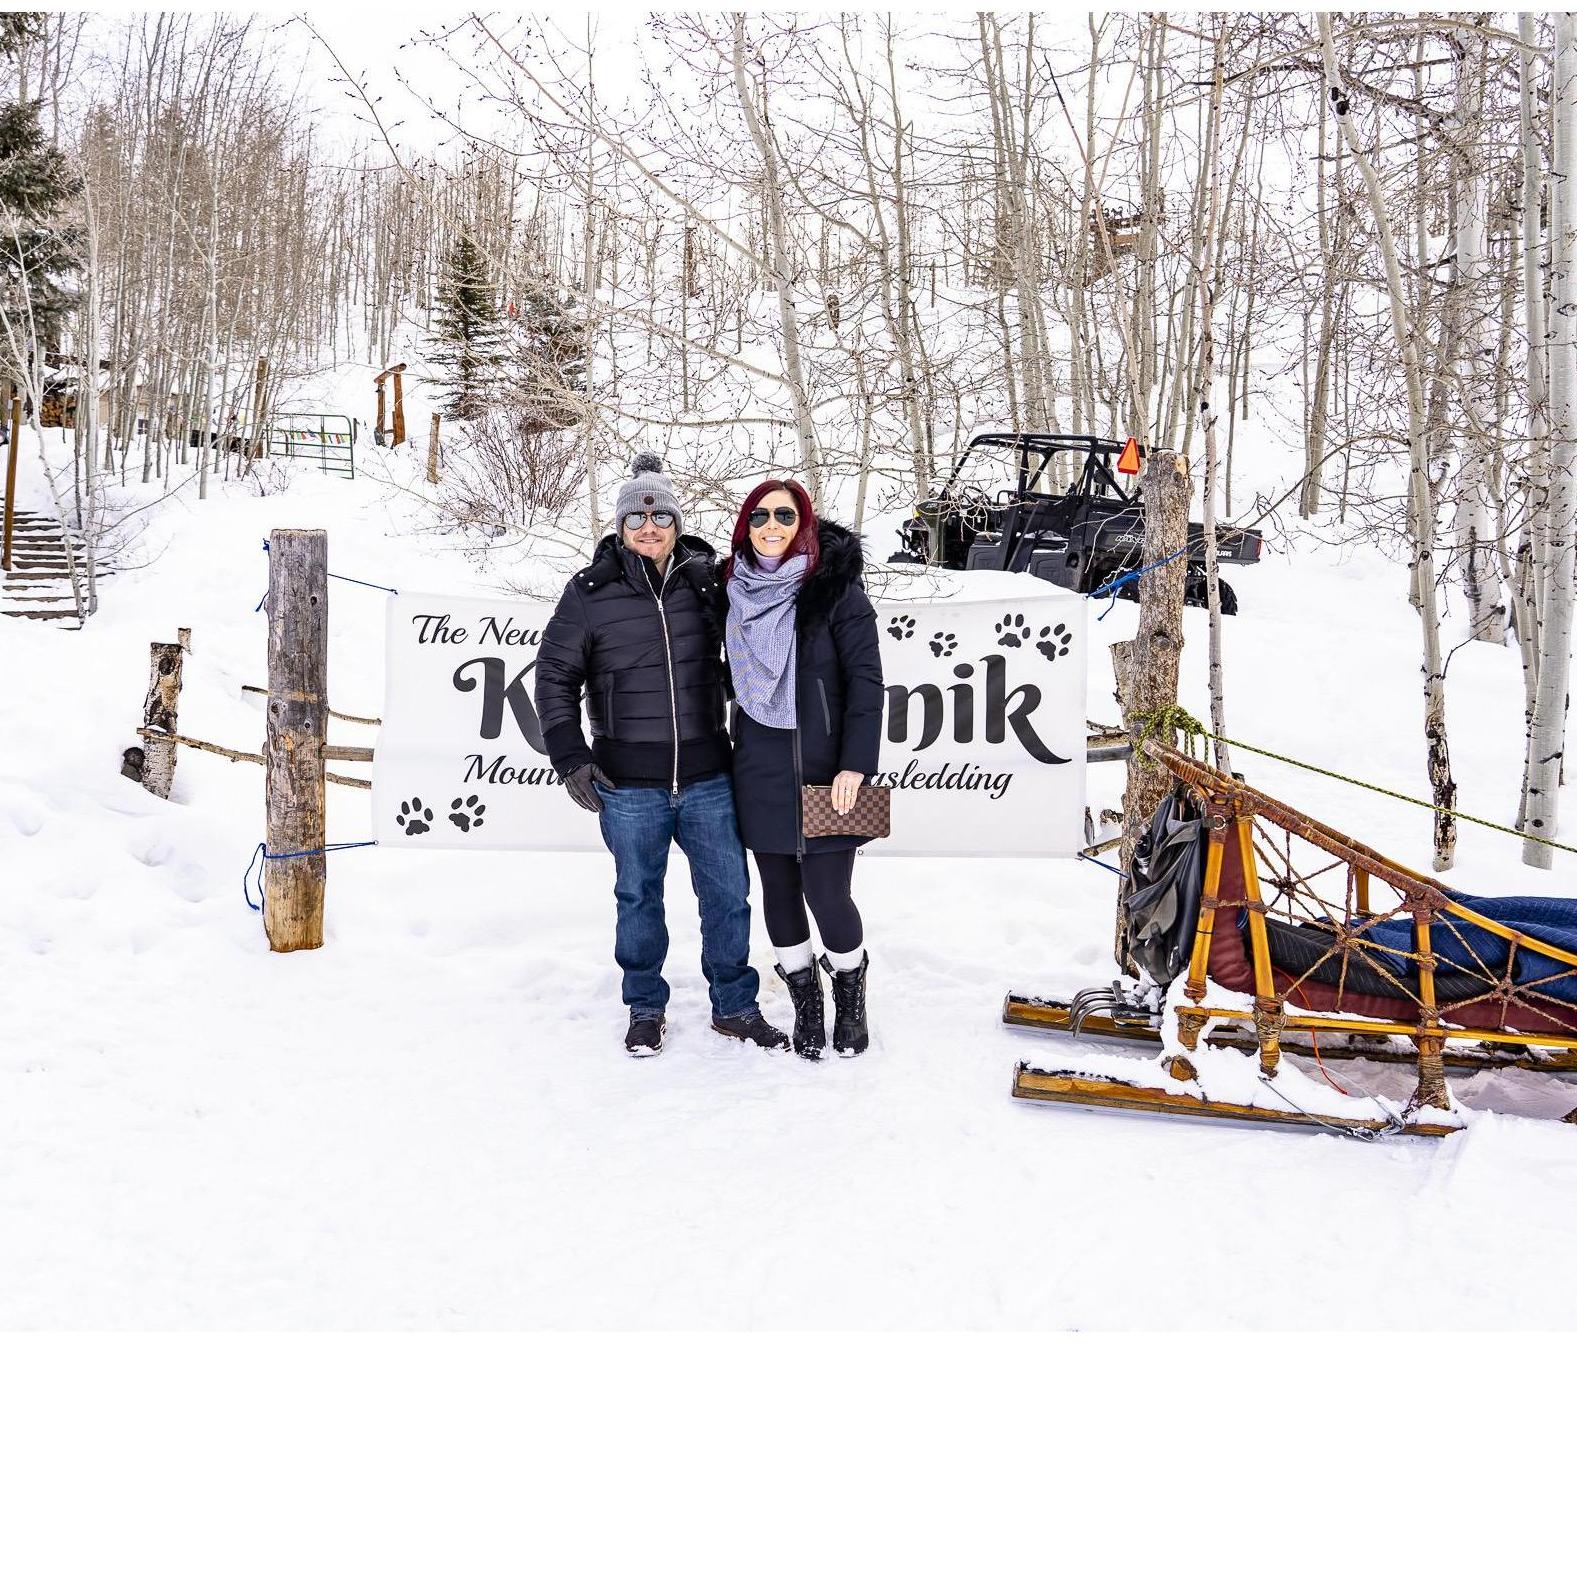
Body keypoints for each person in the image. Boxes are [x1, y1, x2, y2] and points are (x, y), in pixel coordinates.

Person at [534, 453, 790, 1058]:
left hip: (709, 776)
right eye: (636, 519)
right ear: (620, 527)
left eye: (661, 517)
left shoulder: (708, 583)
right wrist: (570, 757)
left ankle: (734, 1004)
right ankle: (644, 1006)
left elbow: (761, 631)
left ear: (677, 523)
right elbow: (553, 676)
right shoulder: (588, 593)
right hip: (628, 783)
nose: (649, 528)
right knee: (637, 897)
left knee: (727, 895)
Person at [724, 479, 884, 1059]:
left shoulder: (837, 591)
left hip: (831, 773)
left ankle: (851, 997)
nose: (772, 525)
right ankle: (807, 1005)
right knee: (779, 895)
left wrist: (855, 765)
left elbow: (866, 682)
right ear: (746, 525)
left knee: (828, 894)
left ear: (804, 523)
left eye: (785, 515)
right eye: (760, 515)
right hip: (758, 770)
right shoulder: (730, 591)